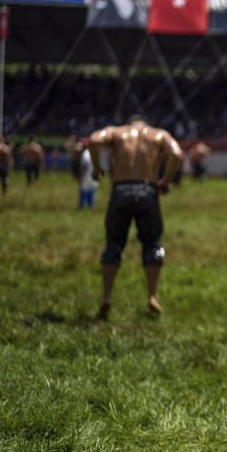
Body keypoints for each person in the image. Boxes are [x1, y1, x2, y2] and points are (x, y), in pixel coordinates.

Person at [87, 115, 182, 319]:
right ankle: (153, 295)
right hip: (147, 191)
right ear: (146, 123)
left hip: (120, 190)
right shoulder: (158, 134)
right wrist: (164, 181)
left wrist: (96, 169)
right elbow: (177, 154)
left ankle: (106, 297)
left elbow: (94, 141)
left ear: (129, 123)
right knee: (153, 243)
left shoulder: (116, 132)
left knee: (113, 243)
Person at [78, 139, 98, 210]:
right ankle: (91, 207)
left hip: (87, 176)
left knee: (84, 192)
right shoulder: (95, 153)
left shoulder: (85, 154)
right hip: (93, 176)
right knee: (92, 192)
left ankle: (82, 207)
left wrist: (81, 176)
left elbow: (84, 167)